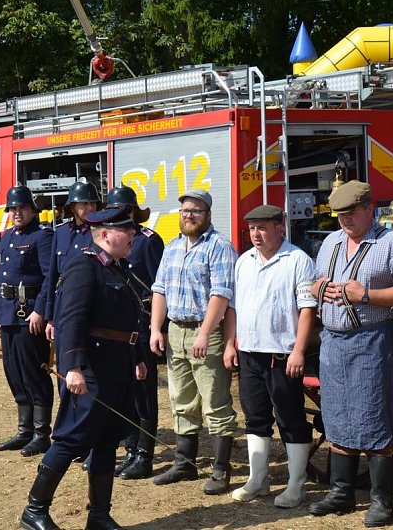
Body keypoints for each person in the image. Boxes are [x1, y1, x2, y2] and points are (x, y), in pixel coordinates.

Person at [19, 206, 147, 530]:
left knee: (106, 441)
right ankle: (35, 510)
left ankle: (99, 515)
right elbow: (71, 319)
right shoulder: (84, 267)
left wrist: (139, 359)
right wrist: (73, 366)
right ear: (104, 235)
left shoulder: (119, 268)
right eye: (125, 229)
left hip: (117, 369)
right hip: (91, 370)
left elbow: (128, 321)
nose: (132, 233)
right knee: (70, 439)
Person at [308, 180, 393, 527]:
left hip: (371, 339)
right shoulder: (330, 243)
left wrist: (366, 295)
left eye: (351, 213)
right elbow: (312, 282)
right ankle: (341, 492)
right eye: (340, 214)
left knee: (374, 415)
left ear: (370, 208)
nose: (345, 220)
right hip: (332, 342)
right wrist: (321, 289)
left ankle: (381, 500)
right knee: (337, 414)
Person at [224, 205, 317, 508]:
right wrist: (230, 344)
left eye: (262, 227)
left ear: (281, 227)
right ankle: (258, 479)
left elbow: (307, 309)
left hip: (282, 353)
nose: (256, 234)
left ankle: (295, 485)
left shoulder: (297, 260)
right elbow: (234, 308)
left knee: (290, 418)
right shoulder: (244, 261)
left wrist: (299, 351)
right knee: (255, 417)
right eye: (252, 228)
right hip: (249, 350)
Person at [150, 189, 238, 495]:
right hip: (176, 330)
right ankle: (184, 463)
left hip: (207, 331)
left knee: (215, 402)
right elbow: (159, 290)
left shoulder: (219, 246)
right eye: (185, 210)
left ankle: (220, 469)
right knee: (181, 399)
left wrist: (205, 332)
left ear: (208, 215)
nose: (189, 215)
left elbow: (222, 293)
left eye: (196, 211)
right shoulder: (172, 247)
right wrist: (155, 329)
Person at [105, 185, 164, 480]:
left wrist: (156, 328)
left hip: (142, 326)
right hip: (120, 327)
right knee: (126, 390)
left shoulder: (147, 241)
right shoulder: (111, 242)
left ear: (130, 211)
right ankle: (130, 449)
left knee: (144, 393)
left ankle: (144, 455)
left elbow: (158, 287)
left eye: (120, 210)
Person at [0, 186, 54, 457]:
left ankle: (42, 434)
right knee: (13, 371)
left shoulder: (42, 237)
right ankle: (24, 430)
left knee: (33, 373)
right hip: (7, 312)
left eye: (22, 208)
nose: (17, 213)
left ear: (32, 210)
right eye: (13, 209)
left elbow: (50, 278)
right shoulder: (6, 236)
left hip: (28, 314)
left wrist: (40, 310)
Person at [43, 180, 101, 343]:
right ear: (73, 206)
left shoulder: (102, 232)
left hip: (91, 308)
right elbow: (52, 276)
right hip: (62, 307)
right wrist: (50, 317)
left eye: (93, 203)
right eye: (85, 203)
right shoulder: (60, 233)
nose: (91, 207)